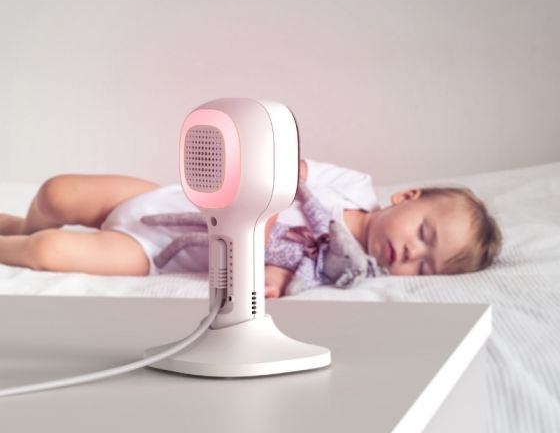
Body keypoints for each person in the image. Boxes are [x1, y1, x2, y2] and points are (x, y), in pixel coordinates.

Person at [0, 159, 502, 297]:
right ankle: (21, 224)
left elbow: (285, 274)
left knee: (48, 252)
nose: (411, 253)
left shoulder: (347, 271)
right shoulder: (353, 186)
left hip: (155, 250)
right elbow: (285, 169)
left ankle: (19, 243)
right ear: (406, 197)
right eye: (423, 235)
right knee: (57, 192)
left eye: (425, 267)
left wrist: (271, 278)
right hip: (168, 199)